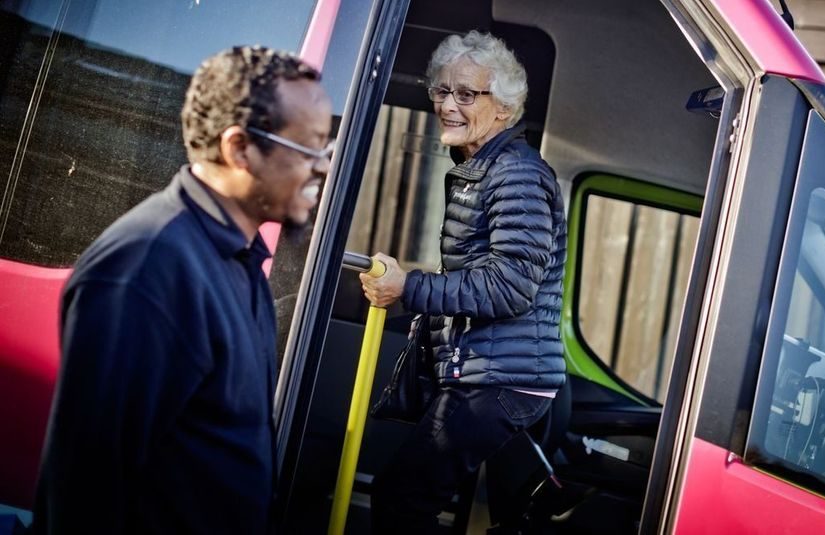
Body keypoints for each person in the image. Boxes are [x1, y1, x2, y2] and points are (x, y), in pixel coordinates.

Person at [31, 46, 332, 535]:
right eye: (310, 149)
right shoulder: (147, 269)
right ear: (239, 149)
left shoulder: (239, 256)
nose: (323, 167)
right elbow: (84, 491)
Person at [361, 30, 567, 532]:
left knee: (400, 500)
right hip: (489, 371)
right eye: (442, 90)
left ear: (504, 108)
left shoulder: (515, 173)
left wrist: (408, 287)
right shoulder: (484, 168)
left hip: (501, 379)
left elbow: (510, 286)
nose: (448, 105)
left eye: (467, 94)